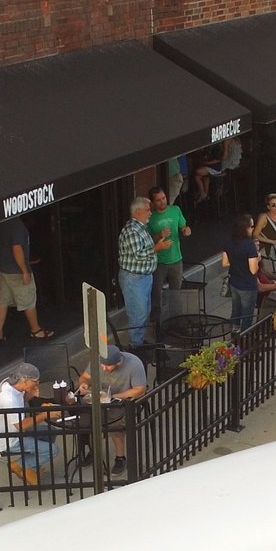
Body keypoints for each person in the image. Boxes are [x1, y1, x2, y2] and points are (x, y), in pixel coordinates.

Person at [77, 344, 149, 475]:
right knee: (86, 420)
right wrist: (84, 383)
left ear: (119, 362)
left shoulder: (134, 364)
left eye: (108, 366)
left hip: (122, 402)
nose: (104, 368)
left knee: (115, 424)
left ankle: (120, 458)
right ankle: (94, 452)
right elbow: (85, 376)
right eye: (102, 365)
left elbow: (140, 390)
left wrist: (114, 397)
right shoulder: (97, 361)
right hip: (99, 399)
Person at [0, 361, 61, 487]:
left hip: (14, 432)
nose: (38, 383)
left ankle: (31, 469)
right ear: (25, 381)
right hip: (9, 439)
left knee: (50, 432)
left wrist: (30, 394)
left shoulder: (10, 384)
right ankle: (19, 465)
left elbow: (20, 401)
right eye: (35, 381)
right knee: (52, 450)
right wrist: (44, 415)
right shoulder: (9, 399)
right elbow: (21, 425)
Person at [0, 212, 51, 345]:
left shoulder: (0, 222)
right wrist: (24, 270)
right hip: (16, 271)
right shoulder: (16, 225)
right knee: (28, 301)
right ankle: (36, 330)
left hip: (3, 268)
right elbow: (17, 247)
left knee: (2, 301)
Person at [116, 196, 159, 348]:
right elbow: (138, 255)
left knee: (144, 311)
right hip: (134, 279)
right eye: (148, 210)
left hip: (144, 277)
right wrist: (157, 248)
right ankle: (135, 346)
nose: (150, 213)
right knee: (138, 313)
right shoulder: (132, 231)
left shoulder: (141, 228)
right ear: (138, 211)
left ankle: (139, 341)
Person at [147, 187, 190, 324]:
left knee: (175, 292)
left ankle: (176, 320)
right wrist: (159, 235)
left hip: (176, 259)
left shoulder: (175, 210)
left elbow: (183, 227)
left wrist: (186, 230)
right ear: (153, 203)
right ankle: (156, 322)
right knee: (156, 292)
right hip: (159, 261)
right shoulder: (150, 217)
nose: (162, 202)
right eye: (158, 200)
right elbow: (147, 240)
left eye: (164, 198)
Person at [220, 213, 262, 331]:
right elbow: (253, 270)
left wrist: (238, 261)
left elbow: (224, 263)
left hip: (234, 282)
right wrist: (258, 259)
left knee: (236, 311)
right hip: (248, 285)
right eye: (251, 226)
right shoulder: (249, 245)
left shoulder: (228, 241)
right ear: (245, 228)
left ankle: (234, 333)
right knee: (247, 315)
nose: (253, 229)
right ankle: (244, 336)